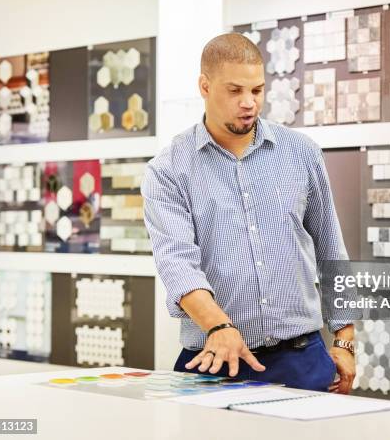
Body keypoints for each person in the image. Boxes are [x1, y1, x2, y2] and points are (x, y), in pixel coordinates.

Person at [141, 33, 356, 393]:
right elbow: (177, 265)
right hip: (214, 361)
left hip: (302, 359)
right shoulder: (168, 169)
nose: (249, 103)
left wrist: (345, 340)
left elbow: (331, 250)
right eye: (235, 90)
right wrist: (220, 327)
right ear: (205, 86)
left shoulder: (301, 153)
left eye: (256, 91)